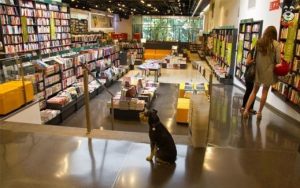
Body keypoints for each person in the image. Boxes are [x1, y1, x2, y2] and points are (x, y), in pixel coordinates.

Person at [243, 26, 280, 120]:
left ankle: (246, 110)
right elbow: (278, 61)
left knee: (254, 91)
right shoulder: (276, 44)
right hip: (269, 72)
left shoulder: (259, 42)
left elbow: (254, 57)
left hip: (258, 71)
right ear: (274, 34)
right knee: (265, 92)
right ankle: (259, 113)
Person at [241, 48, 257, 114]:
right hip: (249, 75)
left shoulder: (259, 55)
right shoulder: (251, 53)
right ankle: (243, 106)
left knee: (254, 92)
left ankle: (251, 107)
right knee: (248, 91)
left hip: (255, 76)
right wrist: (254, 61)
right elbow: (247, 63)